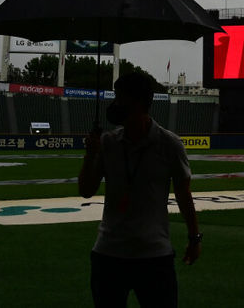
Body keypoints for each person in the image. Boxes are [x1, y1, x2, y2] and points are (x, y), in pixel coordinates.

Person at [78, 72, 202, 308]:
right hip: (109, 253)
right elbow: (86, 190)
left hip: (154, 255)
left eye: (119, 97)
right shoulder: (108, 143)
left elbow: (184, 194)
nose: (115, 104)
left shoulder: (170, 144)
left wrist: (194, 238)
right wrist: (90, 154)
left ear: (136, 102)